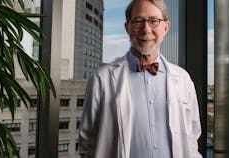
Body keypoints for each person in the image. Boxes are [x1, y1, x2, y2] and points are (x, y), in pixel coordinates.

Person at [78, 0, 202, 158]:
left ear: (166, 27)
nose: (146, 29)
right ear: (127, 27)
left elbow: (192, 138)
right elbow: (87, 143)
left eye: (154, 21)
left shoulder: (183, 79)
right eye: (138, 21)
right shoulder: (101, 79)